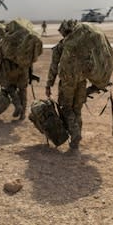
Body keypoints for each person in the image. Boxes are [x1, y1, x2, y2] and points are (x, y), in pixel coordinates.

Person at [45, 19, 84, 149]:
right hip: (82, 82)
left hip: (67, 82)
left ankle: (75, 133)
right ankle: (75, 141)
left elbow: (54, 67)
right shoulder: (83, 46)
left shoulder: (61, 46)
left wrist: (49, 84)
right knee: (77, 110)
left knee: (66, 108)